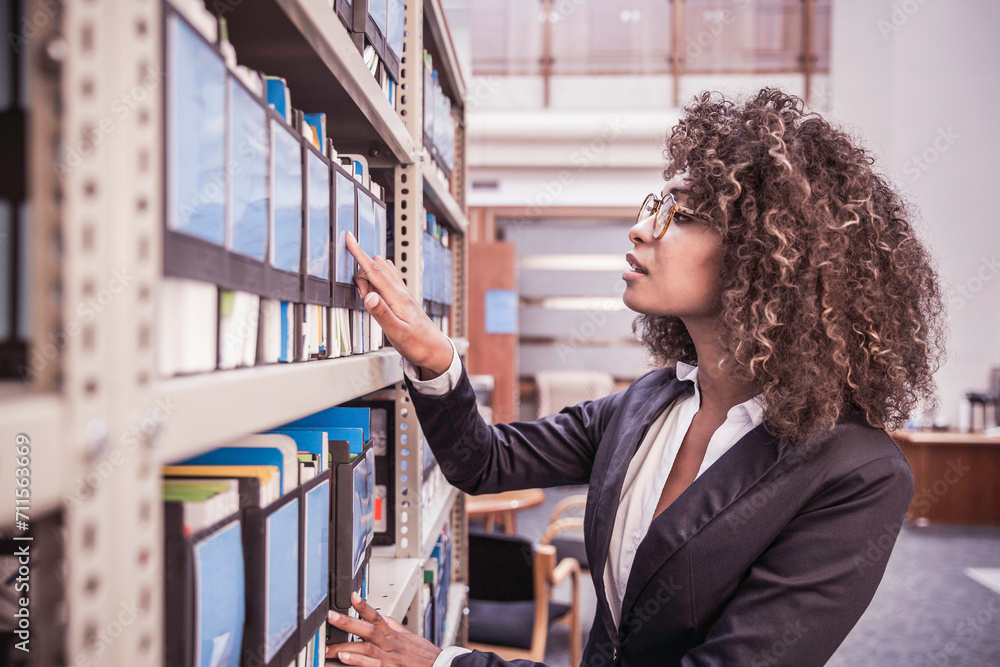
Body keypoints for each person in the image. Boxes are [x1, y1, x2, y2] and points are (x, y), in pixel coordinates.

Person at [324, 88, 947, 667]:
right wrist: (433, 356)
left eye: (684, 215)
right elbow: (484, 462)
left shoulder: (856, 473)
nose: (642, 227)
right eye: (657, 205)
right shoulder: (649, 403)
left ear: (767, 254)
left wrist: (447, 662)